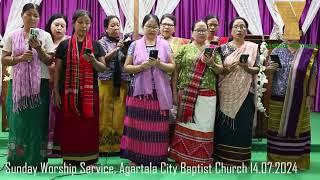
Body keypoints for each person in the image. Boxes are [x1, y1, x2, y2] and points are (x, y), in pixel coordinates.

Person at [2, 3, 54, 167]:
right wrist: (19, 59)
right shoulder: (11, 35)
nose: (32, 18)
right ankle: (17, 161)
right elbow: (3, 59)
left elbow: (49, 60)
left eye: (36, 15)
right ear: (22, 16)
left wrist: (38, 48)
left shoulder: (45, 36)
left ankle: (36, 161)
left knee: (38, 123)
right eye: (29, 14)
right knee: (19, 123)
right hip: (17, 86)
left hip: (40, 85)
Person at [53, 10, 107, 166]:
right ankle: (69, 159)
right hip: (68, 94)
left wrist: (93, 61)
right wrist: (56, 92)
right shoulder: (64, 45)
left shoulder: (96, 45)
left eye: (87, 23)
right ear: (74, 23)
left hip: (90, 95)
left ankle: (90, 160)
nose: (84, 26)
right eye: (80, 22)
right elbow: (58, 70)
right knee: (70, 127)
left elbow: (102, 68)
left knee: (89, 127)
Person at [120, 14, 175, 166]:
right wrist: (141, 67)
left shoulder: (165, 45)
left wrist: (159, 64)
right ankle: (136, 158)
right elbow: (126, 67)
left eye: (154, 27)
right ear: (143, 28)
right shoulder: (134, 45)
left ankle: (156, 158)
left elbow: (172, 66)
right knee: (137, 127)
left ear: (159, 29)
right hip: (138, 93)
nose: (151, 29)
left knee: (157, 128)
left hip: (159, 94)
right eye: (148, 26)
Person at [169, 20, 223, 166]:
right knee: (186, 125)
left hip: (207, 95)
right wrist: (174, 92)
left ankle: (201, 159)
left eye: (204, 30)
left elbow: (220, 70)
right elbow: (175, 72)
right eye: (198, 30)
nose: (201, 33)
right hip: (186, 94)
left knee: (204, 126)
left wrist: (211, 63)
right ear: (192, 32)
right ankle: (182, 158)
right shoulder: (184, 49)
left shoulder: (213, 49)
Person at [267, 28, 318, 170]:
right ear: (283, 35)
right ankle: (276, 161)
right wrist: (268, 68)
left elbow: (314, 74)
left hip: (300, 99)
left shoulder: (308, 52)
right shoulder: (277, 51)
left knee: (300, 129)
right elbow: (271, 71)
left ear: (300, 34)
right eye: (287, 32)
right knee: (277, 129)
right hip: (278, 96)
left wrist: (311, 95)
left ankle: (299, 161)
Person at [214, 17, 262, 166]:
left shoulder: (253, 47)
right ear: (231, 30)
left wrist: (247, 69)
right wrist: (228, 69)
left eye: (242, 27)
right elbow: (218, 70)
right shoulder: (223, 48)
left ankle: (240, 159)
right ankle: (222, 158)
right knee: (224, 127)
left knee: (243, 125)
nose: (239, 30)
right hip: (226, 92)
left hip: (245, 92)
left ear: (246, 30)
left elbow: (258, 68)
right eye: (236, 27)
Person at [98, 15, 130, 155]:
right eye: (112, 25)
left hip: (122, 82)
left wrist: (125, 49)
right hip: (106, 81)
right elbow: (103, 60)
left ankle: (118, 147)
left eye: (118, 25)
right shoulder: (101, 43)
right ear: (106, 28)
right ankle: (103, 147)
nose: (116, 28)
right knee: (104, 112)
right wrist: (117, 49)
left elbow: (129, 61)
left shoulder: (125, 43)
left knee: (120, 113)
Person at [159, 13, 190, 143]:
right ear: (159, 26)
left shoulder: (183, 43)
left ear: (175, 28)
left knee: (173, 115)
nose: (166, 27)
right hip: (157, 84)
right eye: (164, 24)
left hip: (175, 84)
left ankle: (171, 145)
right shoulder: (153, 41)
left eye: (169, 25)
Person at [45, 13, 69, 156]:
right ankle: (47, 147)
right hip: (45, 84)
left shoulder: (69, 42)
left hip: (63, 85)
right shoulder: (44, 40)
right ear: (50, 26)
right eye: (56, 25)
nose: (59, 28)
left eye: (62, 26)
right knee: (47, 116)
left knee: (60, 116)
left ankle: (60, 147)